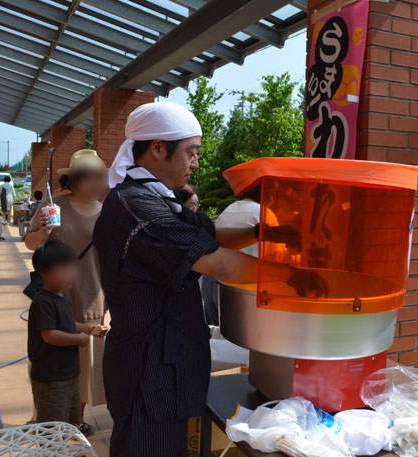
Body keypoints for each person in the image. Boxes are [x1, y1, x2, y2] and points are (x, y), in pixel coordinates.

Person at [93, 102, 328, 457]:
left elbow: (210, 235)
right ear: (157, 148)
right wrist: (297, 279)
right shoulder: (137, 208)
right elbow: (221, 264)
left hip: (164, 364)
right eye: (191, 152)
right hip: (148, 372)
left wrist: (265, 232)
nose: (196, 163)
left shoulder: (157, 199)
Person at [24, 149, 109, 436]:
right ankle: (42, 415)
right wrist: (44, 233)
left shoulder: (109, 214)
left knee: (83, 366)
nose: (96, 183)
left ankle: (76, 419)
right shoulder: (55, 205)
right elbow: (30, 244)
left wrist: (110, 306)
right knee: (48, 357)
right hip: (55, 295)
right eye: (88, 177)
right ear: (74, 179)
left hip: (92, 293)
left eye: (101, 176)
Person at [27, 240, 108, 426]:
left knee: (70, 421)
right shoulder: (43, 302)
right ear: (44, 272)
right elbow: (50, 335)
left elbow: (65, 323)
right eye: (64, 270)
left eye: (73, 269)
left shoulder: (61, 295)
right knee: (52, 425)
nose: (71, 275)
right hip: (51, 378)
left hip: (69, 374)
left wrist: (87, 328)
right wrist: (78, 339)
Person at [201, 185, 262, 325]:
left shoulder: (230, 208)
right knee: (239, 337)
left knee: (216, 333)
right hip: (237, 284)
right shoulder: (261, 213)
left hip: (211, 280)